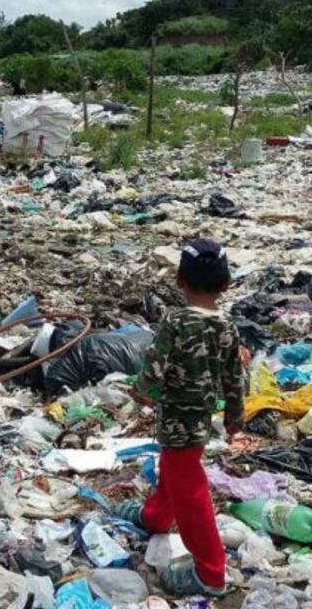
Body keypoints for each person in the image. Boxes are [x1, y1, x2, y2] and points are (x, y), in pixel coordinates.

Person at [119, 239, 246, 597]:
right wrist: (236, 418)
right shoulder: (227, 326)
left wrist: (142, 390)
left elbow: (154, 366)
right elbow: (235, 377)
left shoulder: (175, 321)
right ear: (225, 285)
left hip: (177, 417)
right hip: (202, 419)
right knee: (174, 470)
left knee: (189, 488)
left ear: (179, 280)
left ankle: (211, 572)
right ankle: (156, 517)